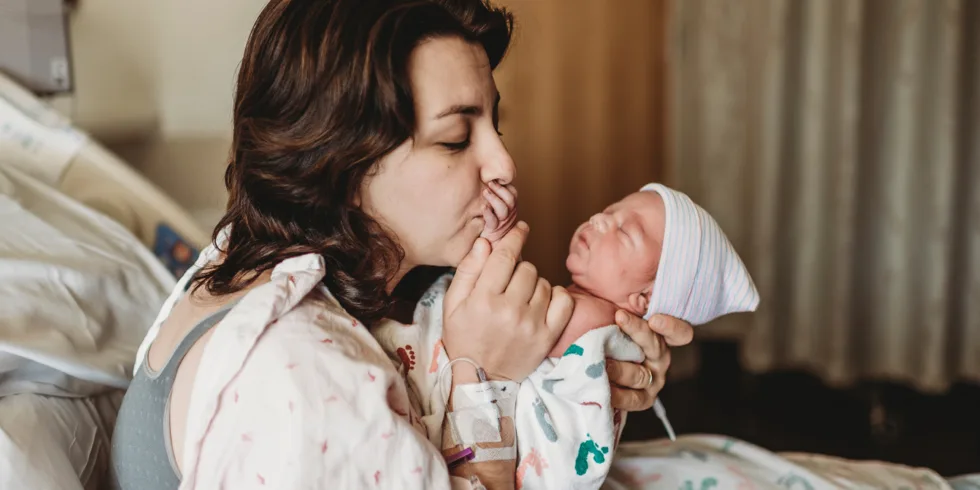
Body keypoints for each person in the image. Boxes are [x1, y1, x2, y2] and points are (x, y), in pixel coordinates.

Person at [108, 1, 693, 489]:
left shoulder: (267, 260)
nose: (504, 163)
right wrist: (483, 378)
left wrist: (591, 362)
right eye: (455, 138)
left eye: (495, 124)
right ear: (341, 164)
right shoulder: (298, 378)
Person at [373, 182, 759, 489]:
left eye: (625, 232)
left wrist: (499, 238)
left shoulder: (597, 318)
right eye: (610, 211)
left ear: (644, 298)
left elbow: (509, 319)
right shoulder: (588, 310)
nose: (599, 219)